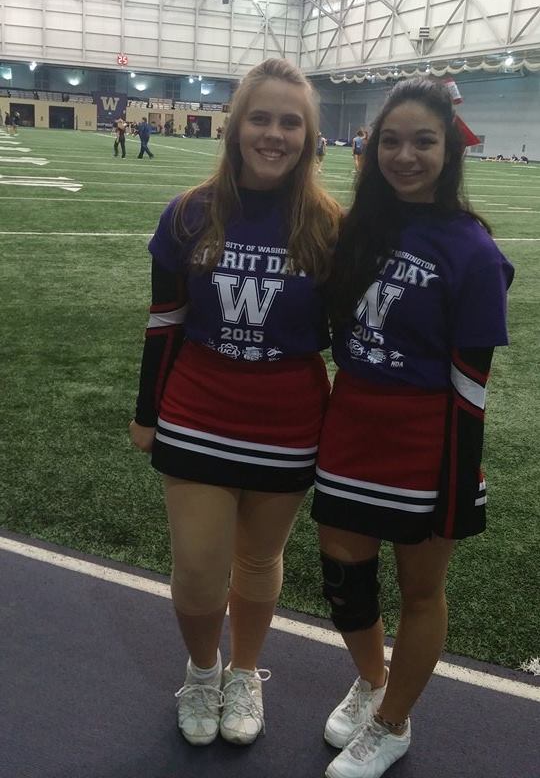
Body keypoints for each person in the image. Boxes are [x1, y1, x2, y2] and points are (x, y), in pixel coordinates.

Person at [129, 58, 341, 749]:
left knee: (257, 560)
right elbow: (165, 319)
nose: (274, 134)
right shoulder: (190, 212)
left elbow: (352, 340)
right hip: (198, 411)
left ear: (309, 136)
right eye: (261, 118)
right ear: (236, 126)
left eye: (290, 122)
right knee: (198, 567)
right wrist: (147, 411)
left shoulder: (329, 225)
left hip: (289, 421)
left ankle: (246, 670)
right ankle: (202, 669)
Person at [311, 78, 514, 778]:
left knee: (420, 591)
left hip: (426, 442)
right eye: (391, 141)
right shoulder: (355, 228)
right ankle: (373, 682)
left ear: (449, 149)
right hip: (350, 427)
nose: (405, 155)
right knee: (344, 581)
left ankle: (394, 722)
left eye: (423, 141)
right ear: (371, 150)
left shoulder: (473, 250)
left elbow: (471, 382)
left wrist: (457, 479)